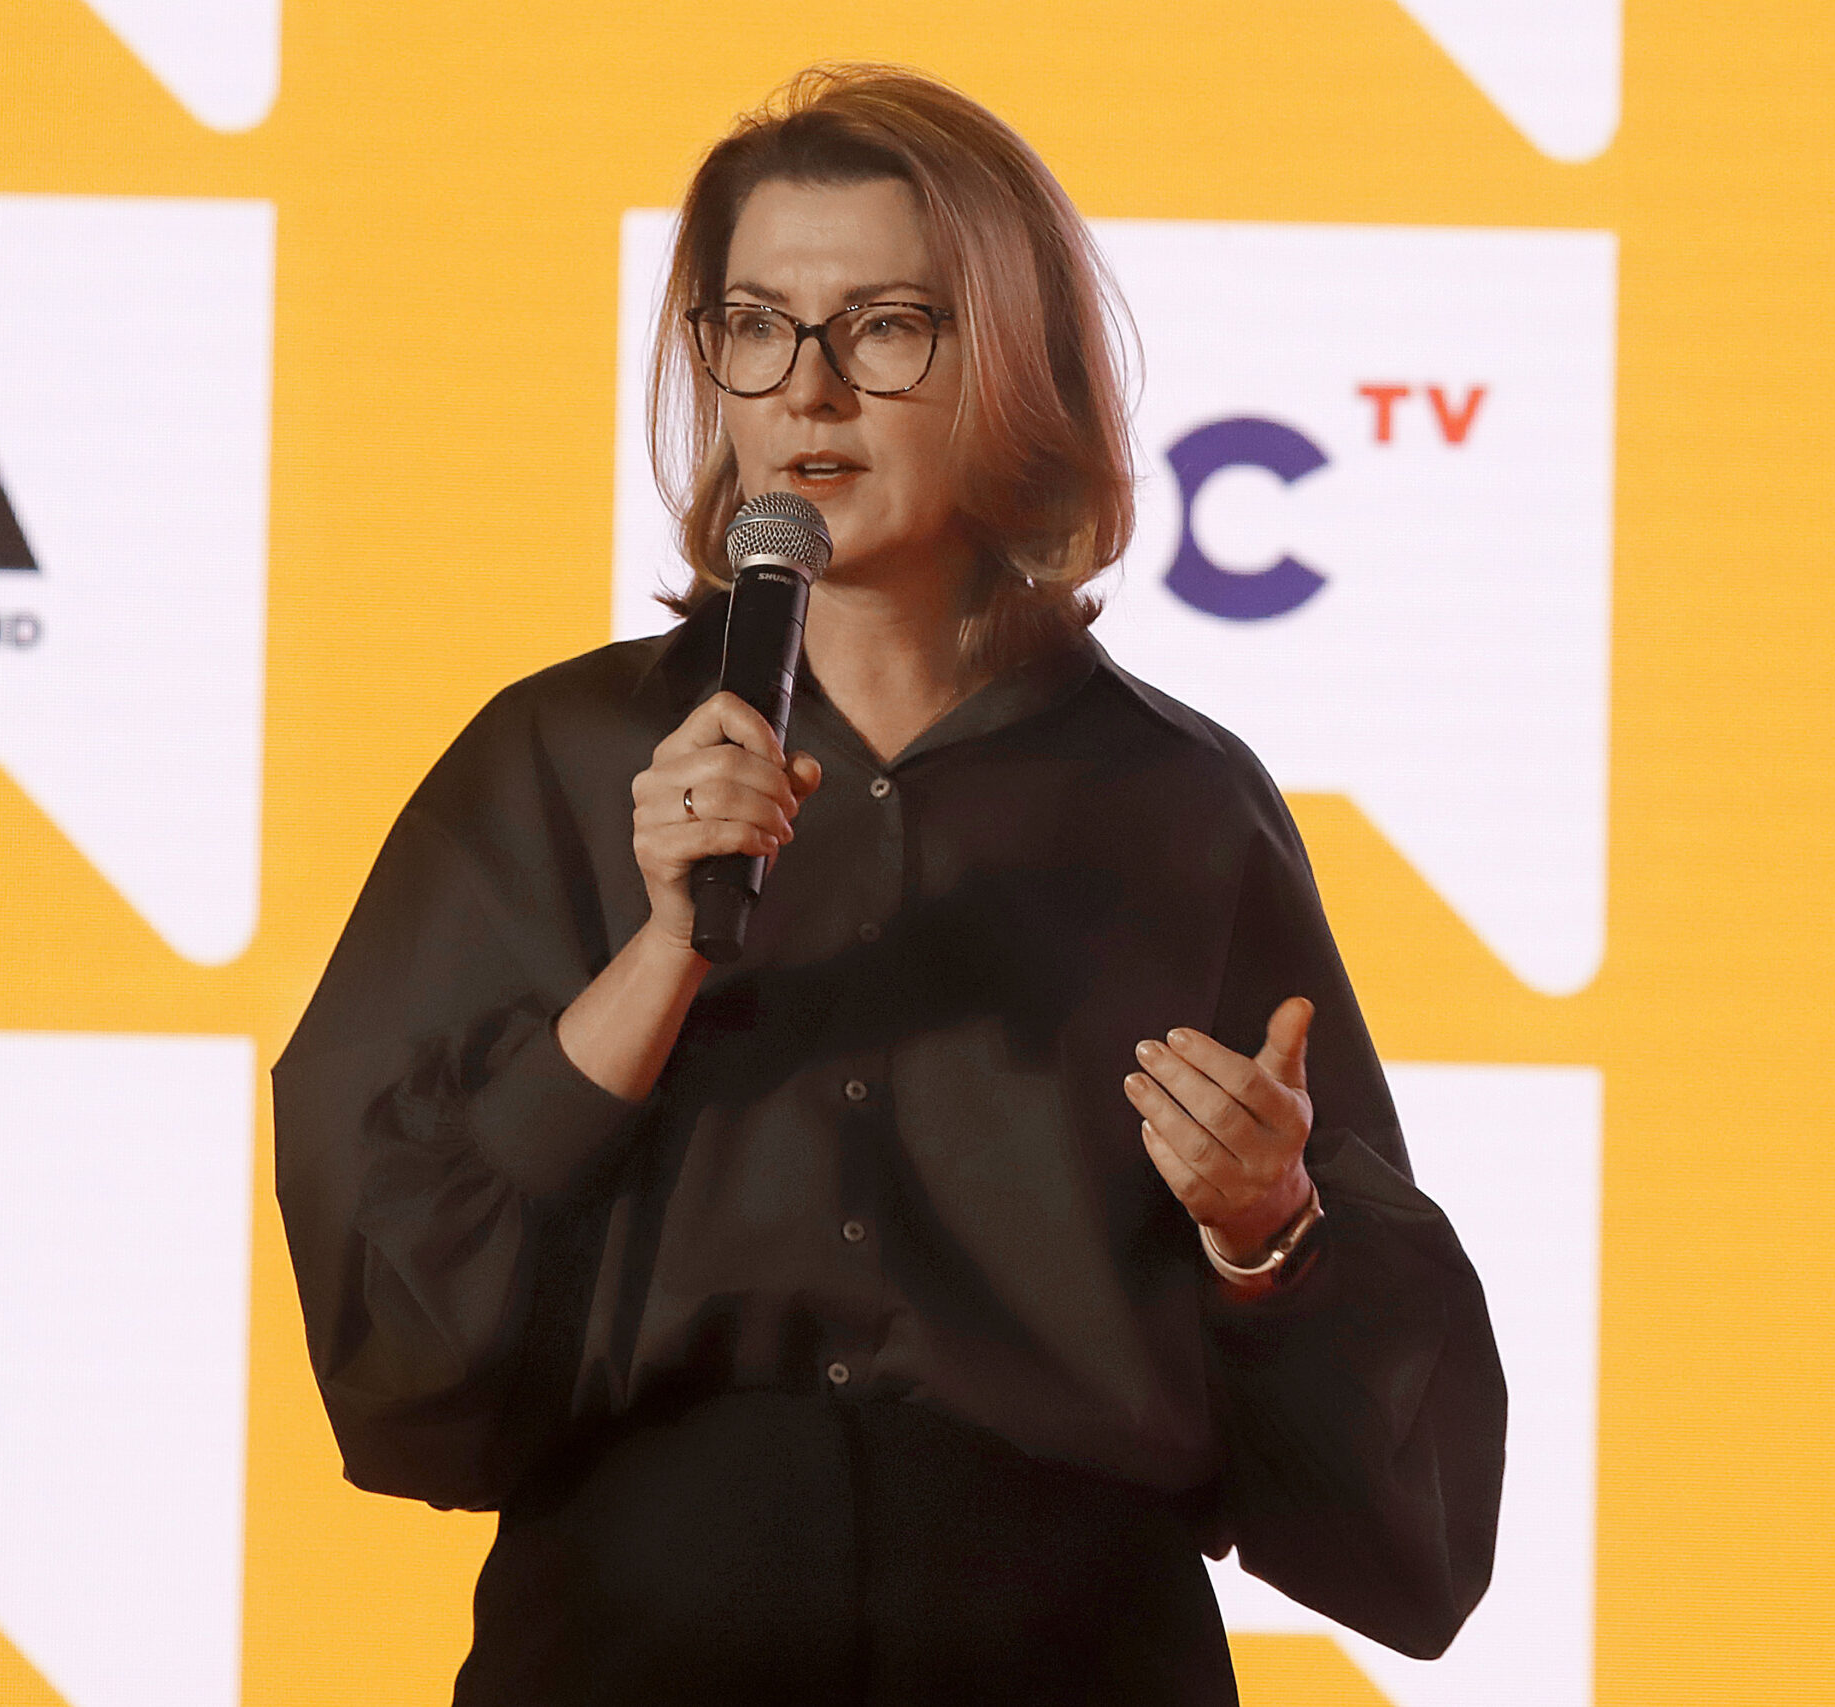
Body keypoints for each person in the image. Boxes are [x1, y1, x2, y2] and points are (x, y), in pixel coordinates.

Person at [274, 63, 1504, 1706]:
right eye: (755, 327)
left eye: (886, 327)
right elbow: (394, 1352)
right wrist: (661, 953)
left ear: (1015, 363)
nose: (810, 391)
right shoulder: (555, 760)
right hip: (638, 1655)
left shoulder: (1180, 806)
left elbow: (1410, 1534)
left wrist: (1266, 1234)